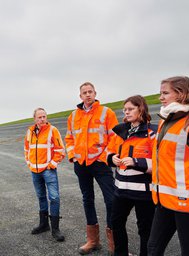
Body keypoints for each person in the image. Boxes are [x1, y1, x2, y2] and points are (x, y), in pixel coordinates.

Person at [147, 76, 189, 256]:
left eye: (165, 93)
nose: (161, 97)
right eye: (160, 93)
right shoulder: (165, 121)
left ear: (180, 94)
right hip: (165, 201)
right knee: (153, 248)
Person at [65, 82, 118, 255]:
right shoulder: (73, 116)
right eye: (84, 92)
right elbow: (69, 138)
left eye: (90, 92)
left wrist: (105, 157)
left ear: (95, 93)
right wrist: (73, 155)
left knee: (111, 200)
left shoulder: (106, 112)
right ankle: (93, 241)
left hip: (101, 163)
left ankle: (114, 242)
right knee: (87, 199)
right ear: (80, 96)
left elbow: (114, 138)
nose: (88, 95)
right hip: (81, 164)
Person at [107, 95, 157, 256]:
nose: (126, 112)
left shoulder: (153, 133)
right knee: (116, 223)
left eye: (130, 109)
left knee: (145, 229)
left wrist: (137, 162)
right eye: (125, 110)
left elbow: (160, 162)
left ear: (140, 109)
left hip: (144, 193)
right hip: (121, 191)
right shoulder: (120, 132)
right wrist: (111, 157)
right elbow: (108, 151)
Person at [24, 107, 66, 242]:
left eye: (44, 117)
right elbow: (26, 148)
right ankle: (44, 225)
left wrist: (52, 164)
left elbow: (60, 150)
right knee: (41, 197)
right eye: (39, 117)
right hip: (34, 171)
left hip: (48, 170)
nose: (42, 119)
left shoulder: (52, 130)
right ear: (34, 119)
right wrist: (29, 162)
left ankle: (55, 229)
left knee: (54, 198)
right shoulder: (30, 131)